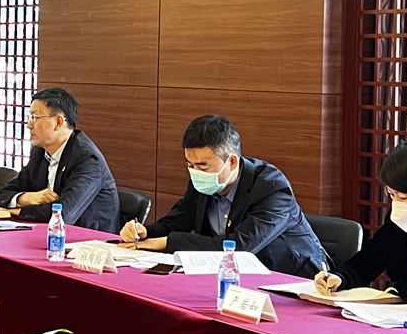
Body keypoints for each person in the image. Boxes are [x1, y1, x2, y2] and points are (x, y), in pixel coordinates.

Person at [120, 115, 321, 277]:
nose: (195, 173)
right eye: (190, 165)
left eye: (202, 166)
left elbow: (239, 247)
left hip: (293, 280)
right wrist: (145, 232)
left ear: (232, 162)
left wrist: (167, 242)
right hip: (235, 276)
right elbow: (177, 221)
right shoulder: (202, 182)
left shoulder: (272, 188)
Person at [315, 139, 407, 308]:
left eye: (404, 197)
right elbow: (369, 261)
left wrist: (399, 289)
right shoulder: (399, 221)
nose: (396, 203)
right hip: (403, 313)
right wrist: (340, 277)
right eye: (392, 195)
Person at [0, 87, 120, 233]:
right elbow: (2, 196)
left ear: (58, 122)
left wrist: (17, 211)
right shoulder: (40, 152)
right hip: (47, 234)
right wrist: (28, 198)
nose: (29, 125)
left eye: (35, 117)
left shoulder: (88, 160)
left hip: (91, 241)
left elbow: (63, 215)